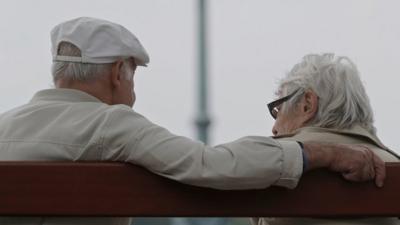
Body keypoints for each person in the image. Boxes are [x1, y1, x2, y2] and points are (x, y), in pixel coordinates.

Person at [0, 17, 384, 225]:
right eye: (134, 75)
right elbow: (210, 165)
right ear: (119, 72)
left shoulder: (5, 126)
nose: (133, 92)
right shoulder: (110, 124)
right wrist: (319, 155)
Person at [252, 53, 400, 225]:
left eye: (278, 109)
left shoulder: (278, 160)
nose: (274, 127)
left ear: (307, 103)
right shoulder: (392, 164)